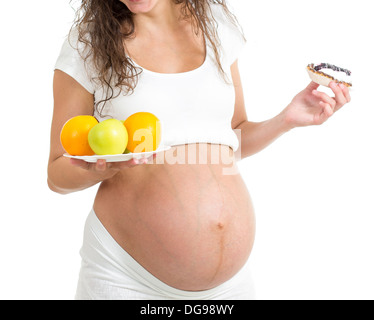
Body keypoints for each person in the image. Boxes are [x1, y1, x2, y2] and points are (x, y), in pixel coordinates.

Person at [48, 0, 351, 300]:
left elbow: (232, 137)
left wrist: (286, 119)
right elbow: (57, 173)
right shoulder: (88, 42)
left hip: (231, 287)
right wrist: (110, 165)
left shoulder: (216, 24)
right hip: (126, 277)